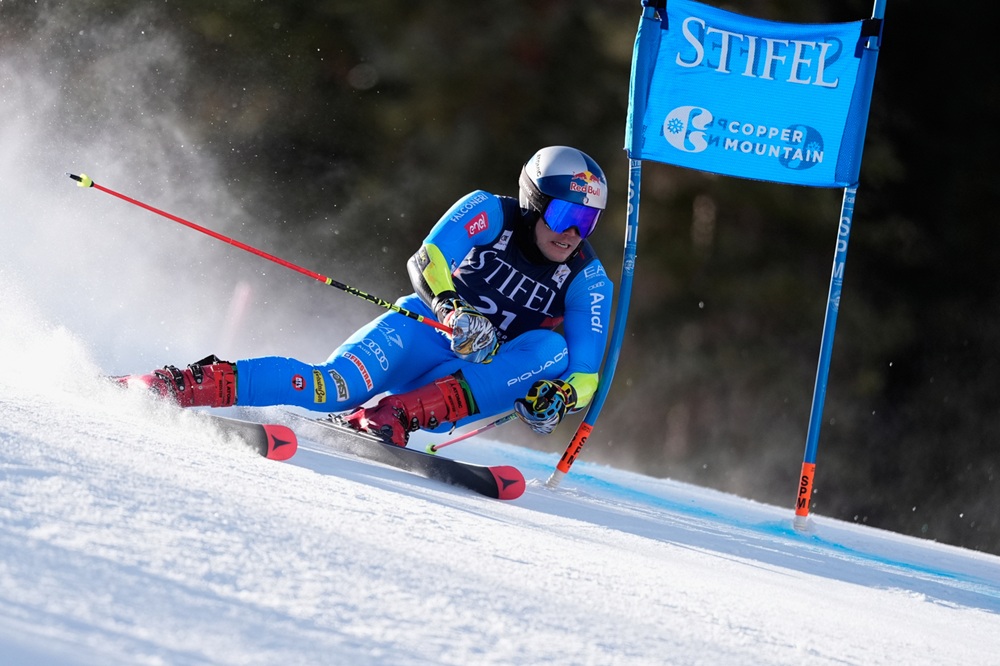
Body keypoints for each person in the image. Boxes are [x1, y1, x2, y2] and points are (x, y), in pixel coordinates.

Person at [115, 146, 614, 447]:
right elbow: (428, 260)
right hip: (424, 329)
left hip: (475, 374)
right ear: (534, 203)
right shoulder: (488, 211)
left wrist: (561, 397)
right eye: (566, 216)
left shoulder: (588, 278)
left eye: (587, 221)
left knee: (554, 351)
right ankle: (176, 384)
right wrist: (451, 308)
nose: (573, 233)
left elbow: (587, 373)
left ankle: (395, 415)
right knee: (331, 386)